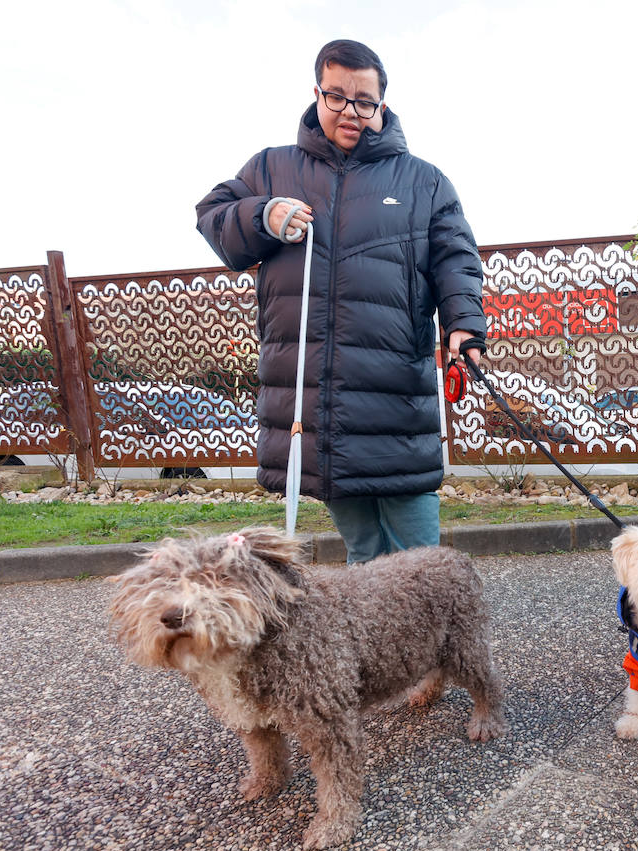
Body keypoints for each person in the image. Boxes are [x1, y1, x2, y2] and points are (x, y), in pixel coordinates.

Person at [195, 39, 485, 564]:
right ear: (317, 94)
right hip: (320, 402)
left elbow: (455, 257)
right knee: (364, 552)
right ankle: (372, 645)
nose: (351, 112)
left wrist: (463, 322)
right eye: (337, 97)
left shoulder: (423, 181)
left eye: (365, 101)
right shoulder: (271, 168)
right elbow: (213, 217)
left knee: (421, 560)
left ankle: (426, 644)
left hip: (397, 396)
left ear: (383, 105)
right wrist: (263, 215)